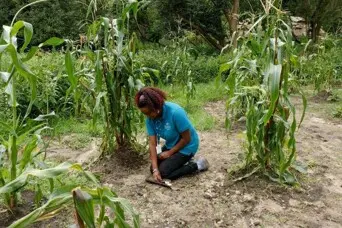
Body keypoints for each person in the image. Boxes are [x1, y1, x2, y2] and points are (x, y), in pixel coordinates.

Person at [135, 87, 209, 182]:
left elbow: (187, 139)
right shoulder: (150, 119)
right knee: (153, 168)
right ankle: (179, 162)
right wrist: (155, 169)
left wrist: (169, 153)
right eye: (144, 113)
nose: (148, 116)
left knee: (164, 173)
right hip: (172, 144)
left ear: (156, 106)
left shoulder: (175, 112)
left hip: (188, 146)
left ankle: (197, 165)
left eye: (149, 112)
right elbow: (152, 144)